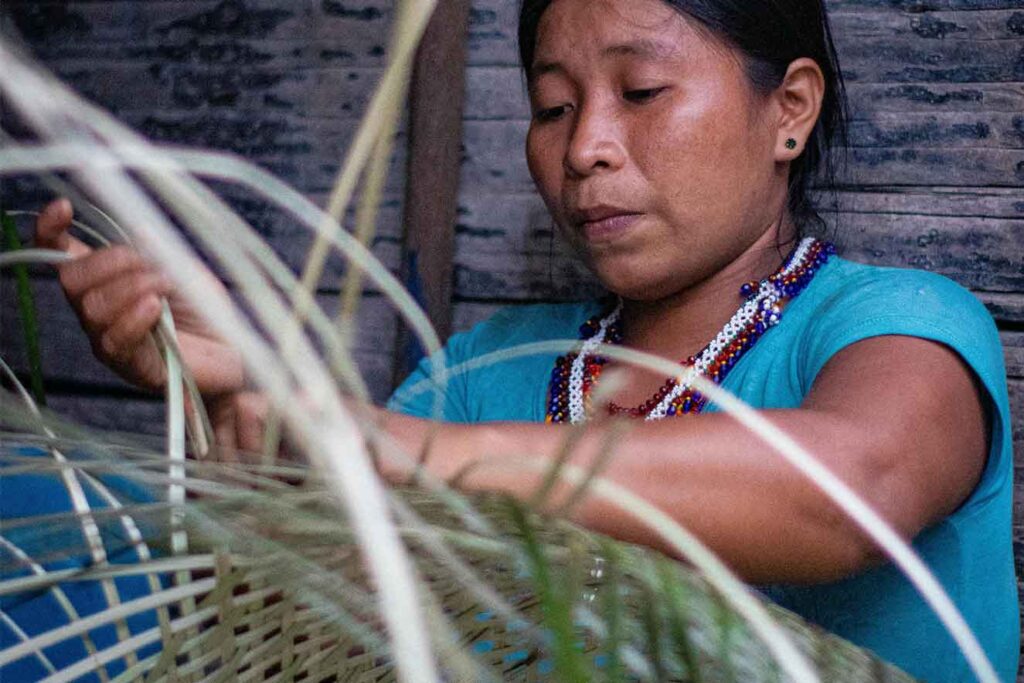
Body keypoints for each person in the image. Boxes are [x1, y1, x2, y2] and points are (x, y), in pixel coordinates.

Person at [32, 0, 1017, 679]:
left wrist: (403, 452)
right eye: (552, 106)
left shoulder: (894, 322)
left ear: (788, 109)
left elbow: (855, 485)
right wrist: (233, 387)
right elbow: (306, 604)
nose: (582, 145)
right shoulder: (486, 369)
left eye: (638, 91)